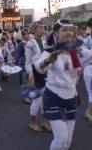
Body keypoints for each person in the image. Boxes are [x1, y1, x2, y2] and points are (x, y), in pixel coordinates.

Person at [35, 19, 92, 150]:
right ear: (56, 33)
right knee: (61, 140)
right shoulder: (51, 50)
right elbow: (39, 67)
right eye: (64, 30)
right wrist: (48, 60)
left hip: (71, 98)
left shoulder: (77, 51)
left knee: (67, 143)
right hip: (53, 97)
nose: (68, 33)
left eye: (70, 30)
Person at [25, 21, 51, 132]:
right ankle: (32, 123)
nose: (42, 30)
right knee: (37, 100)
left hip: (45, 72)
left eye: (43, 28)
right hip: (35, 72)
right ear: (34, 29)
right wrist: (30, 74)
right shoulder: (30, 43)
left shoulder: (45, 41)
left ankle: (44, 122)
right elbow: (27, 61)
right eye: (40, 28)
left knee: (47, 99)